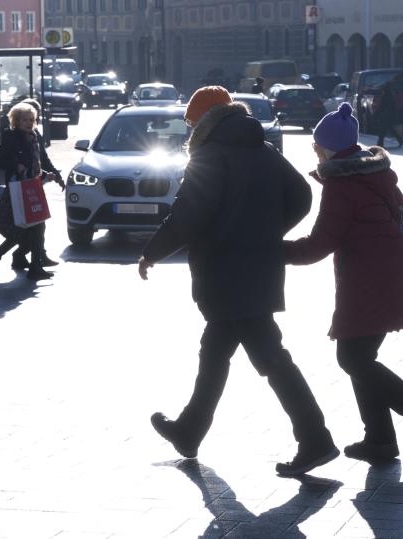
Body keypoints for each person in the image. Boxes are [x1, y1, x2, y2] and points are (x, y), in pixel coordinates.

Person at [138, 87, 338, 477]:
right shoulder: (263, 149)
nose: (190, 126)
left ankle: (315, 437)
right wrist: (265, 233)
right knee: (214, 350)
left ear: (206, 120)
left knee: (271, 358)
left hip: (226, 273)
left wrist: (152, 252)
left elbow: (188, 214)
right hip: (256, 269)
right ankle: (189, 430)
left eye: (193, 120)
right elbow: (300, 195)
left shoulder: (210, 155)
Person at [283, 102, 403, 462]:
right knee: (359, 356)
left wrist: (272, 251)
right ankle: (380, 440)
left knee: (353, 357)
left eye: (316, 145)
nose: (314, 150)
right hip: (389, 276)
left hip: (370, 282)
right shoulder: (377, 174)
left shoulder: (342, 185)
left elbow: (319, 245)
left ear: (327, 148)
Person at [0, 103, 65, 281]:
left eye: (31, 120)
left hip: (33, 187)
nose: (29, 123)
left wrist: (56, 176)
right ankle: (22, 263)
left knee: (35, 226)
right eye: (24, 120)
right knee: (28, 228)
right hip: (18, 190)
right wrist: (16, 165)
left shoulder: (35, 136)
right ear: (16, 122)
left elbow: (42, 160)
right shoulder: (12, 138)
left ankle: (3, 258)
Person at [375, 76, 403, 148]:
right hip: (389, 115)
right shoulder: (389, 95)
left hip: (385, 115)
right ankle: (400, 140)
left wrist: (377, 112)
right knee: (389, 129)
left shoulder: (386, 96)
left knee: (383, 130)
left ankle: (380, 144)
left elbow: (382, 105)